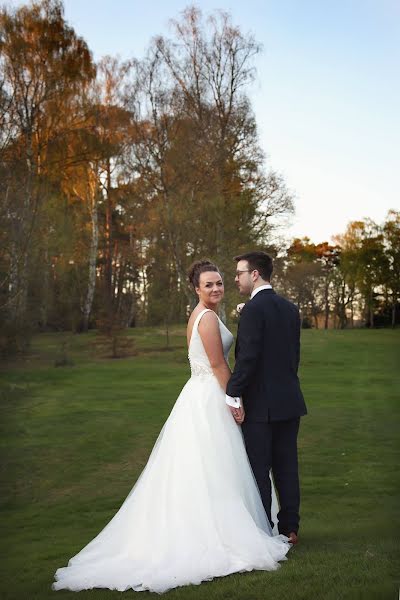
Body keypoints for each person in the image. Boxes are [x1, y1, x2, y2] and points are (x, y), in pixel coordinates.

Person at [52, 260, 290, 594]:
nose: (216, 289)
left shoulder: (205, 314)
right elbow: (219, 365)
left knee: (210, 467)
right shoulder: (207, 319)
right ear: (196, 288)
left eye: (220, 282)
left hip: (197, 394)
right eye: (208, 285)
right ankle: (217, 534)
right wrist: (236, 401)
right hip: (210, 396)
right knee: (216, 466)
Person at [226, 252, 307, 545]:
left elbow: (247, 358)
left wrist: (232, 391)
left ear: (255, 274)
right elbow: (293, 357)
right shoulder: (289, 308)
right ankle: (290, 529)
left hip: (260, 404)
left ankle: (263, 531)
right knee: (287, 466)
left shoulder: (252, 310)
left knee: (259, 469)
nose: (236, 278)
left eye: (239, 273)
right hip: (289, 399)